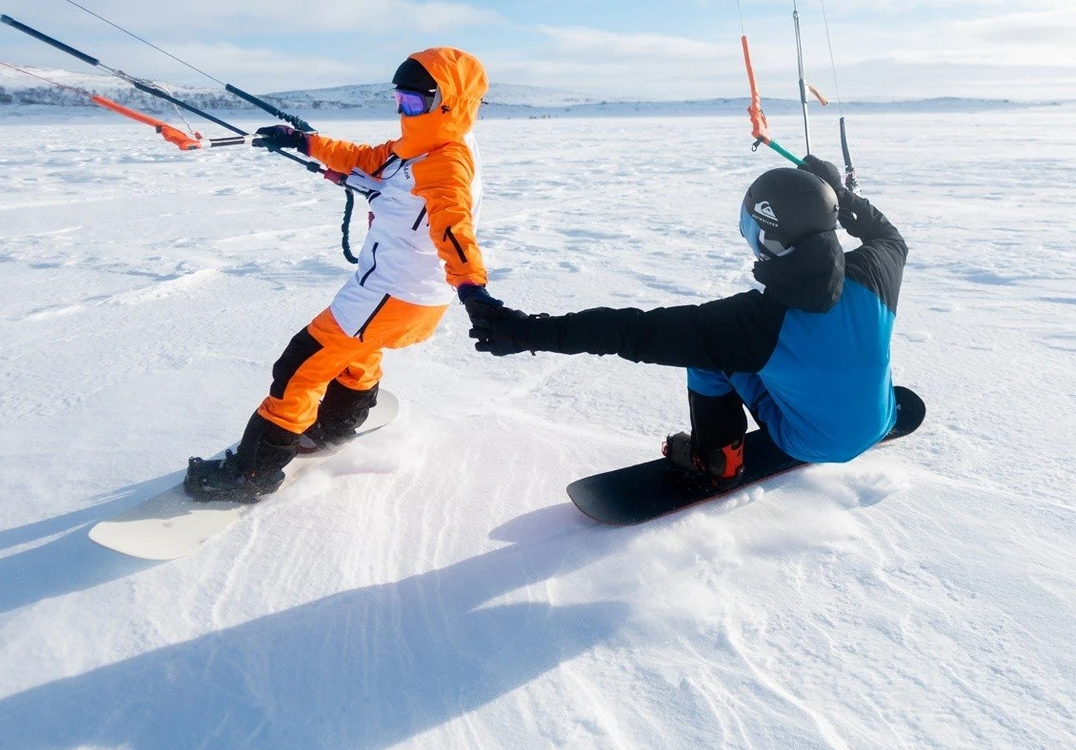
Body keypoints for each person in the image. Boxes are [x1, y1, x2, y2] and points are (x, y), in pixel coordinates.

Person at [466, 155, 905, 481]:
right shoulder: (875, 270)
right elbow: (888, 236)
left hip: (811, 441)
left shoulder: (752, 324)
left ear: (768, 240)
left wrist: (524, 332)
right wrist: (839, 197)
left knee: (708, 357)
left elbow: (627, 331)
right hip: (880, 419)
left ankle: (719, 458)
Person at [186, 47, 498, 502]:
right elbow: (369, 158)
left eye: (415, 103)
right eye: (400, 100)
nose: (404, 111)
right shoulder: (422, 148)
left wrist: (473, 288)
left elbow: (453, 227)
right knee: (356, 349)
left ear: (448, 102)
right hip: (394, 292)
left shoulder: (446, 161)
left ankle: (252, 474)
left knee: (301, 366)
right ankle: (336, 424)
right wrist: (303, 141)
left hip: (396, 292)